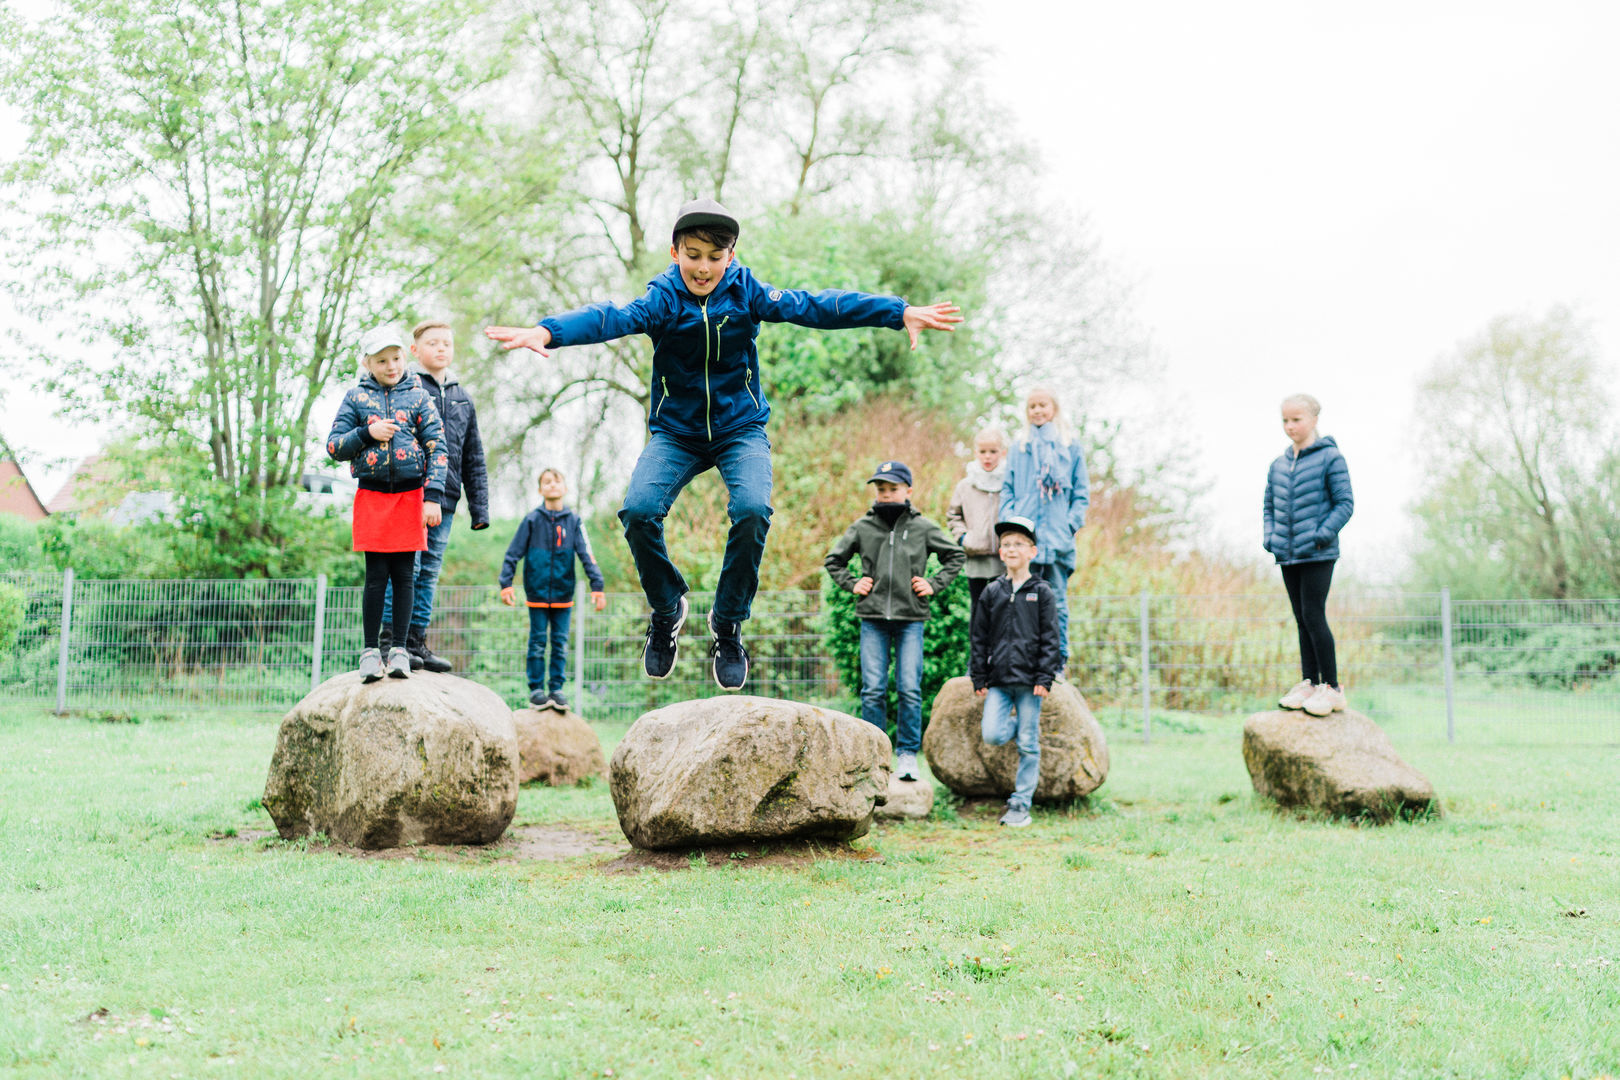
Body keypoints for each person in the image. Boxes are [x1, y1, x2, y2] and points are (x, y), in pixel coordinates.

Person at [485, 198, 962, 692]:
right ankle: (668, 609)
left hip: (741, 430)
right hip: (677, 433)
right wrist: (549, 330)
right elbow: (610, 317)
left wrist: (897, 311)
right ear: (675, 253)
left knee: (754, 509)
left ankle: (728, 624)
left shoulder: (747, 292)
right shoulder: (662, 300)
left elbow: (817, 306)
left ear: (730, 257)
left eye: (715, 257)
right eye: (693, 255)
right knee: (639, 510)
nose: (704, 268)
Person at [824, 460, 965, 782]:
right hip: (872, 618)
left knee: (909, 689)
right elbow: (834, 560)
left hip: (911, 618)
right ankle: (875, 754)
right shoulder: (863, 526)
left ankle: (906, 756)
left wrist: (934, 583)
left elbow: (955, 556)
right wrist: (852, 583)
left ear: (908, 491)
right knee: (873, 689)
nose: (886, 495)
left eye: (893, 489)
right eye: (881, 490)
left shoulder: (923, 527)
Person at [325, 327, 447, 683]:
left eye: (395, 358)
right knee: (376, 577)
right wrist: (367, 434)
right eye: (381, 360)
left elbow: (437, 447)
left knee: (406, 575)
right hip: (373, 496)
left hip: (411, 497)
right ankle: (369, 652)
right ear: (368, 363)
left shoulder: (420, 396)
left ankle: (399, 652)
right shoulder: (355, 398)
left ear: (404, 358)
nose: (390, 366)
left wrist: (434, 496)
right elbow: (334, 447)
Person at [379, 319, 490, 672]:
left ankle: (416, 643)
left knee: (429, 572)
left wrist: (480, 508)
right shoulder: (405, 389)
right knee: (405, 569)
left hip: (446, 501)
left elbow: (473, 455)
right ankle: (389, 643)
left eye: (447, 343)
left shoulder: (462, 398)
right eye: (432, 343)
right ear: (415, 351)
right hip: (409, 494)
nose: (441, 348)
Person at [1264, 393, 1353, 717]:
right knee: (1301, 619)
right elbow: (1268, 507)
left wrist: (1321, 535)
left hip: (1317, 553)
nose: (1290, 426)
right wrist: (1270, 538)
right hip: (1287, 555)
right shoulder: (1278, 464)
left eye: (1296, 419)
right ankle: (1310, 683)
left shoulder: (1331, 458)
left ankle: (1332, 688)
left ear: (1314, 419)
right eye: (1285, 420)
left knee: (1315, 615)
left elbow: (1345, 503)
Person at [970, 517, 1062, 828]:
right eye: (1006, 544)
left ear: (1032, 552)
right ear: (1000, 552)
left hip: (1030, 682)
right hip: (998, 681)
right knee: (993, 734)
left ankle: (1020, 805)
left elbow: (1052, 637)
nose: (1011, 548)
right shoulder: (992, 591)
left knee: (1028, 743)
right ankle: (1018, 723)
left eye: (1018, 544)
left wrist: (1044, 677)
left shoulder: (1042, 591)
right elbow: (979, 636)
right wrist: (978, 675)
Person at [499, 469, 607, 710]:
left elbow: (586, 554)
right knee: (537, 642)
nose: (552, 485)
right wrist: (506, 583)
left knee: (560, 643)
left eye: (557, 480)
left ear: (565, 487)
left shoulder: (574, 521)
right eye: (546, 482)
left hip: (563, 595)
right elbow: (513, 553)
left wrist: (597, 585)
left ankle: (556, 689)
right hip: (536, 595)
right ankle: (536, 690)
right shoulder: (531, 520)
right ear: (540, 490)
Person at [1000, 387, 1089, 673]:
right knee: (1022, 602)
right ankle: (1023, 660)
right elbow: (1008, 490)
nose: (1037, 410)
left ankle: (1057, 661)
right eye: (1032, 406)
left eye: (1043, 405)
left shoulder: (1071, 445)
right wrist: (1011, 526)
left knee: (1057, 603)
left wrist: (1069, 524)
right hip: (1026, 539)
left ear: (1054, 408)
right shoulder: (1019, 447)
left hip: (1058, 540)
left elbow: (1081, 493)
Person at [946, 427, 1008, 622]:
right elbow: (953, 516)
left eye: (993, 451)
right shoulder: (966, 486)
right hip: (976, 560)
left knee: (1003, 613)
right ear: (976, 453)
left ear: (1002, 453)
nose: (987, 457)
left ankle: (1000, 653)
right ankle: (979, 653)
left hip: (1005, 561)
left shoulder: (1009, 483)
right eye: (982, 452)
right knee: (979, 612)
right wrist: (964, 538)